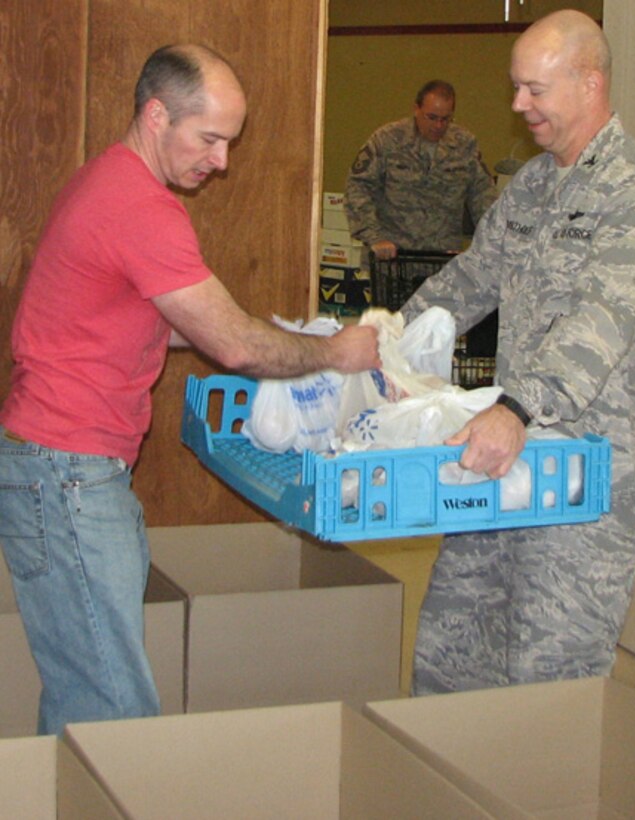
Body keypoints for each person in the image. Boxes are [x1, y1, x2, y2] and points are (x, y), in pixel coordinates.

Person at [0, 44, 380, 736]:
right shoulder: (139, 206)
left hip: (60, 466)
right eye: (209, 139)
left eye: (229, 142)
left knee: (87, 684)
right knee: (111, 706)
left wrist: (264, 333)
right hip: (68, 471)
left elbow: (173, 324)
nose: (221, 160)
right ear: (155, 115)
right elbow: (232, 346)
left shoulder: (105, 182)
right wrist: (334, 350)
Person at [402, 10, 635, 695]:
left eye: (534, 90)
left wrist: (517, 408)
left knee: (551, 685)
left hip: (578, 483)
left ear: (588, 82)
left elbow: (599, 322)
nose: (518, 105)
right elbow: (468, 279)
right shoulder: (532, 184)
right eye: (515, 88)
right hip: (501, 460)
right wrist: (382, 341)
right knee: (449, 653)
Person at [344, 79, 498, 263]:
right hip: (393, 259)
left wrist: (494, 241)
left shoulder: (464, 145)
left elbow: (483, 195)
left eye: (446, 119)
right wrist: (373, 237)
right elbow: (358, 187)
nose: (439, 126)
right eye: (432, 117)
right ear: (416, 109)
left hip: (442, 260)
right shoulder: (388, 140)